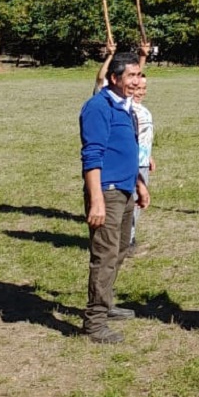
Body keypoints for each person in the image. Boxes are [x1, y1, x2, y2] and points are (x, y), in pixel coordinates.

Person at [80, 51, 149, 344]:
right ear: (114, 78)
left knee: (119, 250)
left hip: (125, 189)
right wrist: (96, 199)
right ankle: (94, 324)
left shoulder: (124, 106)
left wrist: (140, 185)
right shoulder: (98, 107)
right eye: (131, 75)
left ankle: (105, 304)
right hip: (107, 193)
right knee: (105, 256)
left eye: (139, 74)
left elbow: (128, 149)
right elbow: (92, 155)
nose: (138, 80)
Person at [129, 73, 155, 250]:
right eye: (138, 88)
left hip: (143, 162)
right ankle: (127, 241)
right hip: (132, 163)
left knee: (138, 202)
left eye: (144, 88)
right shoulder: (128, 109)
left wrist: (149, 156)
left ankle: (129, 236)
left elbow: (144, 137)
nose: (141, 92)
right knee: (131, 202)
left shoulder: (143, 109)